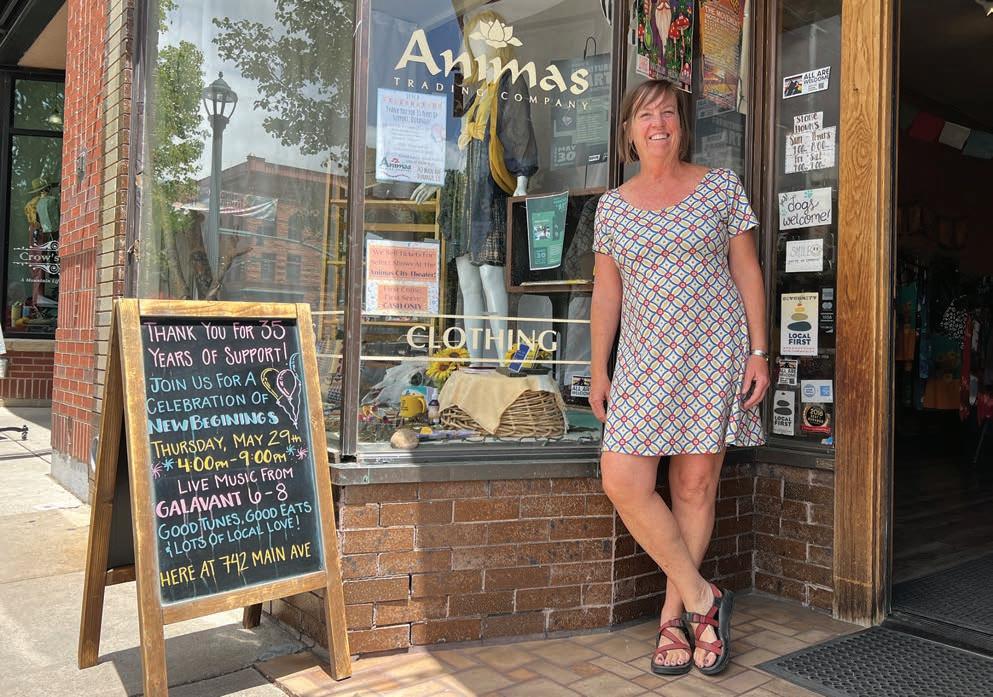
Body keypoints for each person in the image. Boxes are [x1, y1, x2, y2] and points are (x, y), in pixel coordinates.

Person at [589, 79, 768, 677]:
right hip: (642, 360)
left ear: (682, 125)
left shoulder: (720, 187)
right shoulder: (613, 207)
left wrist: (759, 351)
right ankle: (702, 596)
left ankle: (675, 619)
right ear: (629, 131)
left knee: (693, 487)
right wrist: (598, 367)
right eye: (645, 115)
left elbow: (747, 269)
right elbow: (606, 293)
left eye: (668, 113)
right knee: (622, 479)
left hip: (713, 353)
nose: (658, 124)